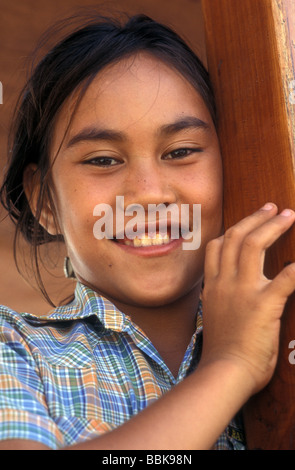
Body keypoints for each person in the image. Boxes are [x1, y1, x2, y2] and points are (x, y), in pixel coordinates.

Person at [0, 13, 295, 451]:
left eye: (180, 151)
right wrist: (232, 365)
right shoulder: (16, 351)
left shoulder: (284, 334)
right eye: (103, 160)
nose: (147, 193)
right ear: (44, 200)